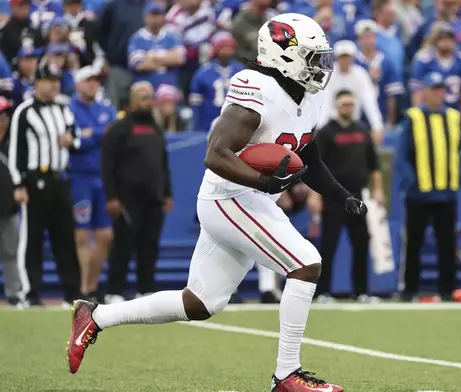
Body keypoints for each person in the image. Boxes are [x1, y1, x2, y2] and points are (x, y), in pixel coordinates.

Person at [68, 14, 366, 392]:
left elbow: (309, 159)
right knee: (306, 264)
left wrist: (344, 197)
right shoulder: (256, 85)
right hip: (230, 196)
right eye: (311, 57)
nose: (318, 67)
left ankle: (96, 316)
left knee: (200, 302)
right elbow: (215, 154)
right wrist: (263, 179)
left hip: (251, 199)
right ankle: (286, 376)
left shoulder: (308, 94)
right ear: (283, 54)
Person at [7, 61, 81, 306]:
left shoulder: (64, 109)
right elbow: (16, 149)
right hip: (35, 181)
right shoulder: (24, 111)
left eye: (57, 81)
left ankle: (72, 293)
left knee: (65, 238)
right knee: (33, 239)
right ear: (37, 81)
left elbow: (76, 137)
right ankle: (30, 293)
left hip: (60, 180)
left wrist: (72, 140)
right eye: (49, 80)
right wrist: (18, 183)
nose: (54, 86)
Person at [395, 72, 461, 302]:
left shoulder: (454, 118)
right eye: (433, 89)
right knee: (414, 244)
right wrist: (413, 182)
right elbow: (402, 156)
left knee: (447, 245)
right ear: (424, 92)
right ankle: (410, 290)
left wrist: (457, 177)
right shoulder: (413, 118)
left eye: (441, 89)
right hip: (419, 195)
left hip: (446, 194)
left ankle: (447, 291)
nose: (438, 93)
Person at [99, 81, 173, 303]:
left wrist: (167, 193)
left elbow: (163, 163)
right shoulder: (119, 129)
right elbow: (107, 165)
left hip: (153, 199)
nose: (147, 101)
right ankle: (115, 291)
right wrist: (112, 197)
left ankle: (146, 289)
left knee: (149, 246)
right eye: (142, 97)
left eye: (150, 97)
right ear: (131, 100)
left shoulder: (156, 128)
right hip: (126, 200)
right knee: (123, 246)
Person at [310, 90, 384, 303]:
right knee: (328, 244)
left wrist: (378, 190)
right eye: (344, 105)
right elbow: (315, 167)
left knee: (361, 242)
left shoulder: (362, 131)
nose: (348, 108)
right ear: (336, 106)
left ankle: (361, 291)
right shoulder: (326, 132)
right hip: (333, 196)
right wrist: (315, 196)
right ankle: (322, 292)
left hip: (358, 195)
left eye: (351, 104)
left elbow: (374, 165)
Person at [68, 66, 117, 303]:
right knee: (81, 234)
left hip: (104, 177)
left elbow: (112, 134)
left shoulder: (106, 108)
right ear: (78, 84)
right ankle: (83, 289)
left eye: (95, 81)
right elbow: (72, 141)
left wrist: (88, 135)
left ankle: (92, 285)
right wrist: (98, 134)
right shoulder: (69, 109)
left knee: (105, 235)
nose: (92, 85)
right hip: (80, 177)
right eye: (88, 81)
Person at [409, 22, 461, 125]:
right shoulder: (423, 60)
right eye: (442, 38)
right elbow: (417, 93)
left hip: (455, 113)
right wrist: (421, 120)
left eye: (449, 38)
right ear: (434, 40)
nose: (446, 42)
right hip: (430, 115)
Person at [318, 40, 385, 143]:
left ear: (353, 57)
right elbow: (325, 102)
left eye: (347, 56)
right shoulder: (328, 75)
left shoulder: (360, 74)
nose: (345, 60)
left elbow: (369, 101)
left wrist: (377, 126)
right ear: (337, 57)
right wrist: (321, 128)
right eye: (342, 56)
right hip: (332, 123)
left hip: (353, 122)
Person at [189, 32, 245, 132]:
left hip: (235, 122)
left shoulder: (241, 71)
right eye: (223, 48)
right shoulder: (203, 73)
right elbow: (196, 104)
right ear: (216, 50)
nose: (227, 52)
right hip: (208, 121)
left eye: (230, 48)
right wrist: (197, 126)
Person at [128, 2, 186, 90]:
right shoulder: (137, 38)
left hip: (170, 88)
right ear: (145, 16)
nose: (155, 19)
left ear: (163, 16)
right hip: (146, 89)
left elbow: (179, 59)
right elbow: (139, 65)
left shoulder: (172, 35)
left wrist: (152, 57)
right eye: (152, 15)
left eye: (158, 15)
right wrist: (167, 59)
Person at [0, 97, 23, 306]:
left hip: (8, 207)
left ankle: (14, 294)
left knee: (10, 252)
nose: (3, 119)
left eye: (5, 114)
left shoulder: (13, 143)